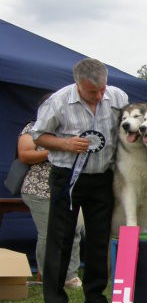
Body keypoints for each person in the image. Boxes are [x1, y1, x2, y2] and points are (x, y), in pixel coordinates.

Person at [31, 58, 129, 303]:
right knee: (60, 239)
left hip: (103, 178)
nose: (98, 96)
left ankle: (95, 299)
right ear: (77, 84)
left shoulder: (119, 96)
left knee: (99, 240)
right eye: (91, 92)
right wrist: (65, 144)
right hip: (67, 178)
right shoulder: (59, 101)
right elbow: (38, 135)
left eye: (101, 90)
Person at [18, 116, 84, 288]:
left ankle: (70, 276)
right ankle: (48, 277)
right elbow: (25, 156)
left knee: (74, 231)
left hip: (68, 190)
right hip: (39, 190)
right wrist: (57, 149)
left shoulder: (72, 131)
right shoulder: (32, 128)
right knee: (48, 233)